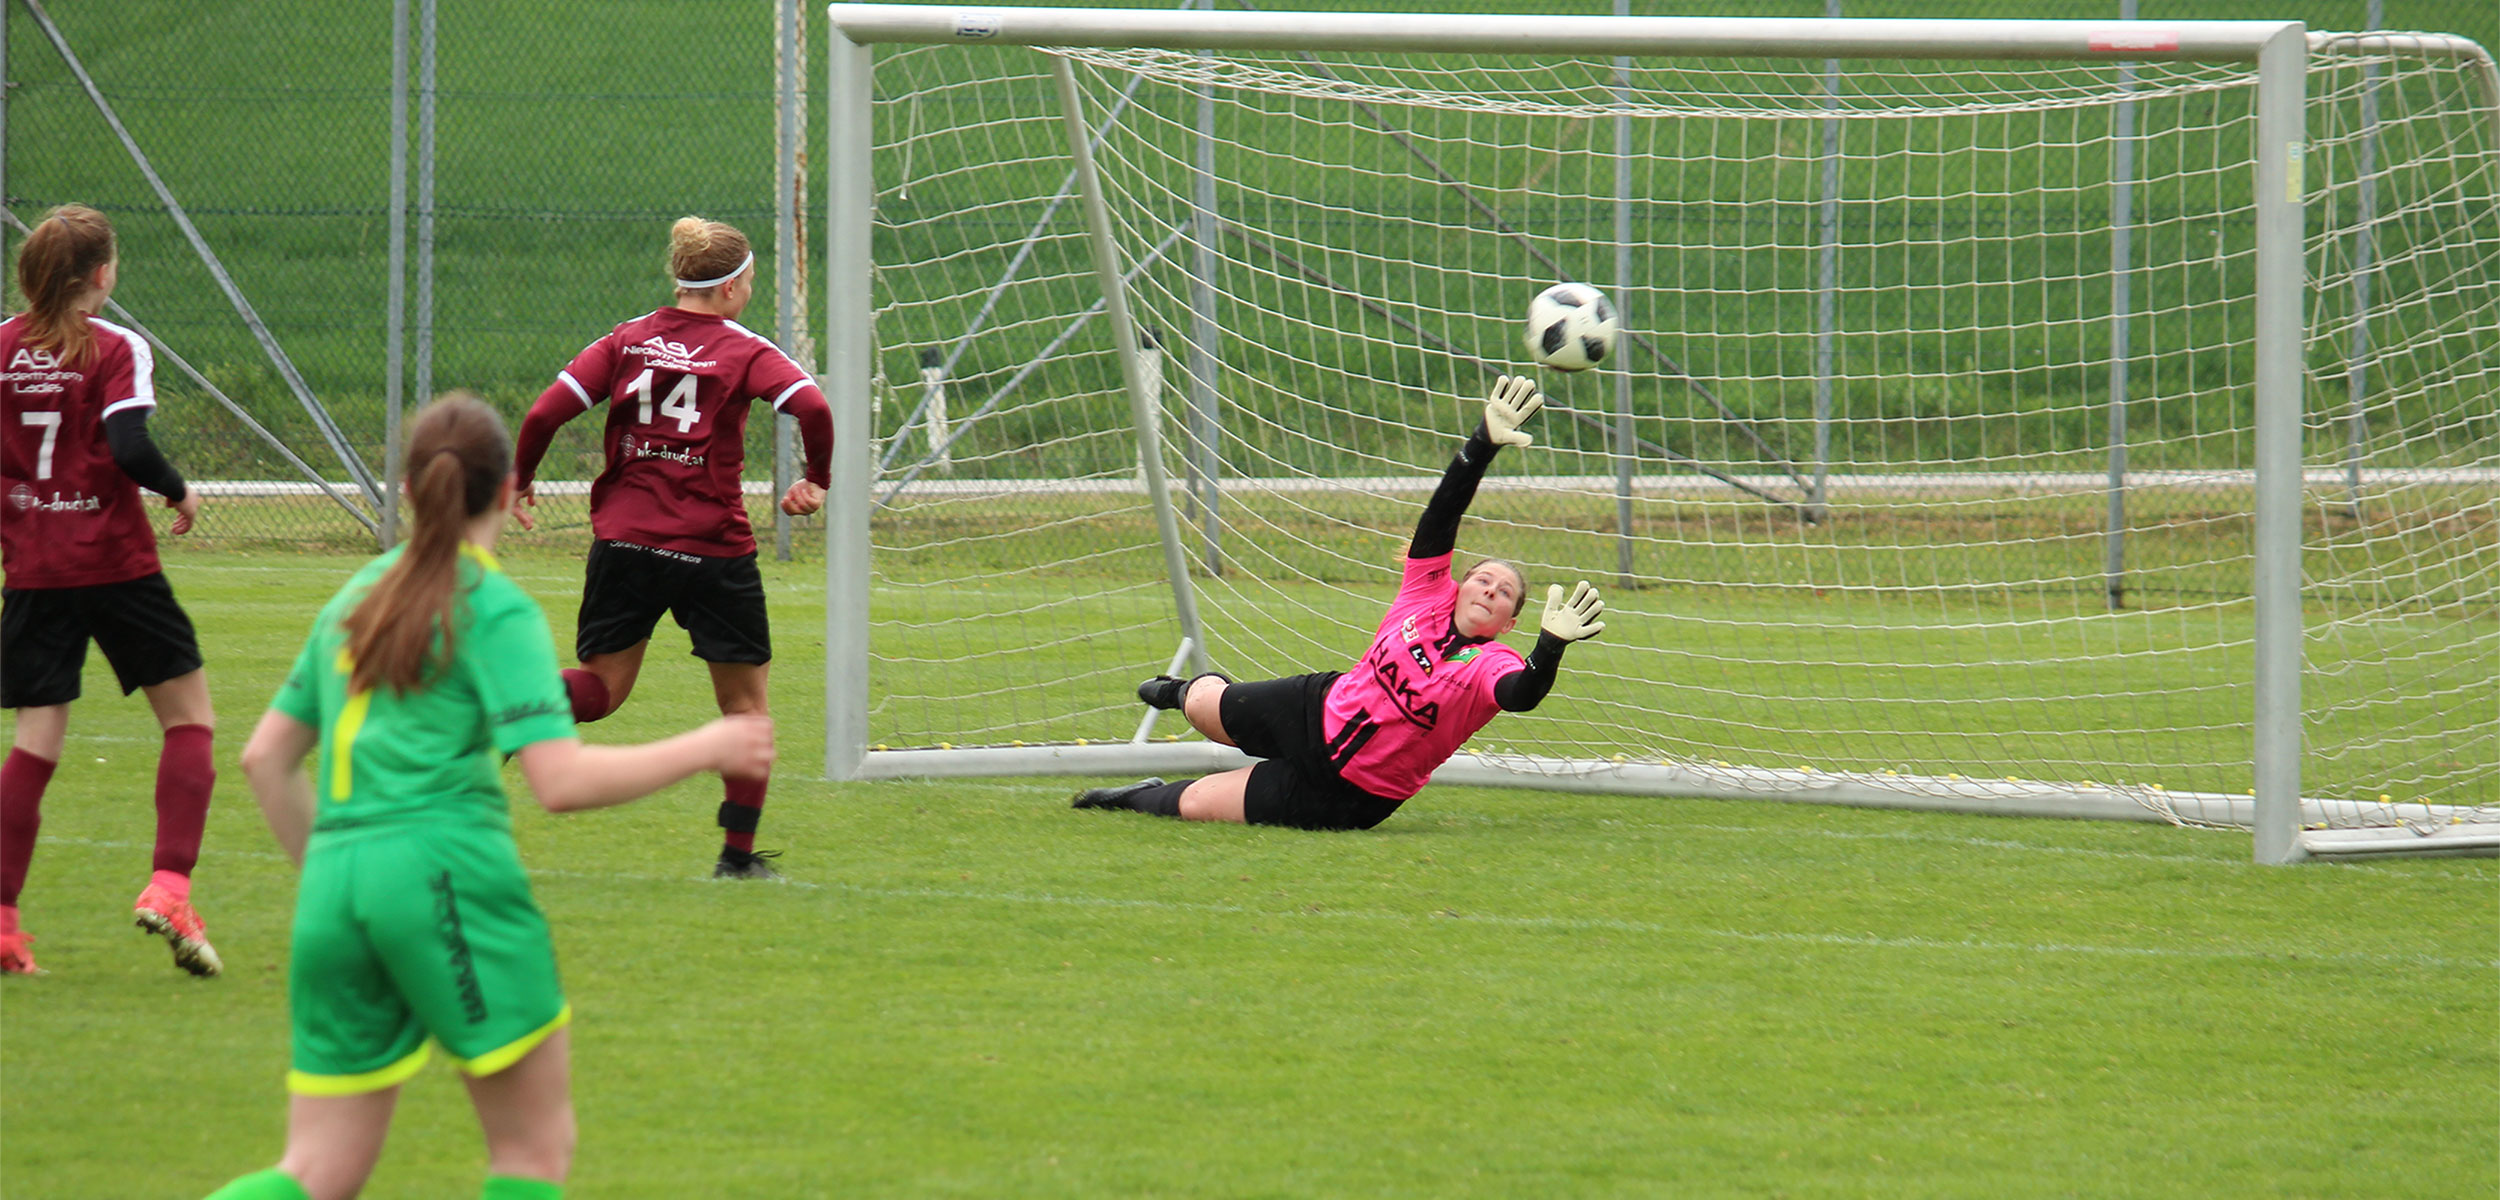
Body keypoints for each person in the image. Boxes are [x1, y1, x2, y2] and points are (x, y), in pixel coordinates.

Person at [213, 394, 776, 1200]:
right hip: (445, 875)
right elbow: (561, 782)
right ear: (512, 491)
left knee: (315, 1170)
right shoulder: (492, 604)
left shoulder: (353, 598)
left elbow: (266, 759)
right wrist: (711, 744)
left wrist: (346, 876)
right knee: (529, 1153)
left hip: (335, 887)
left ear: (407, 490)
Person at [1073, 375, 1607, 831]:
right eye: (1484, 579)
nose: (1491, 589)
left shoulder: (1493, 664)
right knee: (1202, 708)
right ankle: (1182, 690)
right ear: (1459, 585)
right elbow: (1441, 516)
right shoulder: (1426, 593)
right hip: (1316, 710)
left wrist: (1551, 646)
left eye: (1505, 593)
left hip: (1353, 793)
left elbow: (1521, 694)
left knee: (1194, 803)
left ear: (1510, 623)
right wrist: (1481, 444)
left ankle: (1131, 796)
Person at [510, 216, 832, 880]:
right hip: (713, 550)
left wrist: (521, 481)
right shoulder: (745, 349)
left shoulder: (627, 340)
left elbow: (544, 413)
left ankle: (507, 709)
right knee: (745, 710)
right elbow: (813, 408)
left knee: (599, 690)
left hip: (627, 542)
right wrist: (815, 480)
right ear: (735, 286)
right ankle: (736, 859)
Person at [0, 203, 220, 977]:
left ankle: (1, 923)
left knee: (36, 743)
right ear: (102, 274)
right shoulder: (117, 347)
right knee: (189, 720)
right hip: (119, 565)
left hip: (34, 569)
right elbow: (128, 444)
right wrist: (179, 491)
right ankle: (168, 887)